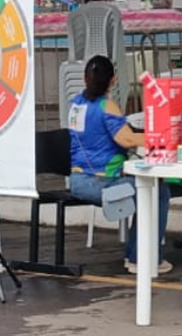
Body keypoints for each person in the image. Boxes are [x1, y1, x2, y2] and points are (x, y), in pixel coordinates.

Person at [66, 54, 172, 275]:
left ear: (85, 79)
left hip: (78, 179)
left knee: (147, 189)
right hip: (100, 181)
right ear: (113, 81)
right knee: (156, 190)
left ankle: (137, 255)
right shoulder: (107, 106)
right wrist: (164, 136)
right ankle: (143, 258)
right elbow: (127, 139)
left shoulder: (76, 104)